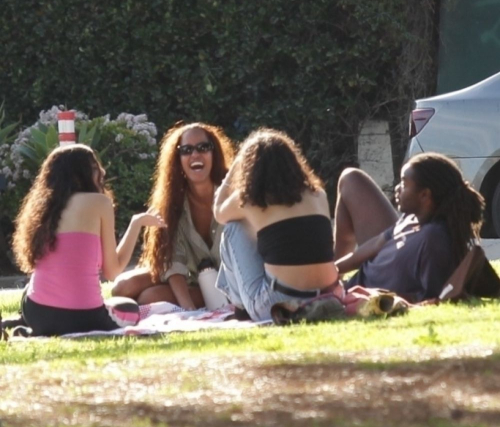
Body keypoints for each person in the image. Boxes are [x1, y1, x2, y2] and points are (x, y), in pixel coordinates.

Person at [12, 144, 165, 336]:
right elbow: (113, 271)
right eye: (94, 168)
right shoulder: (99, 202)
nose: (102, 171)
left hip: (38, 314)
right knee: (129, 307)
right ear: (77, 175)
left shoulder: (42, 210)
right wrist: (136, 224)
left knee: (31, 289)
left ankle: (22, 322)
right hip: (84, 318)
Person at [213, 128, 342, 321]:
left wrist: (234, 168)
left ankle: (240, 307)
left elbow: (218, 212)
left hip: (281, 303)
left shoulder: (249, 200)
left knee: (234, 228)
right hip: (329, 295)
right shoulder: (318, 195)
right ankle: (242, 305)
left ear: (251, 169)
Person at [112, 122, 234, 308]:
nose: (195, 155)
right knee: (122, 287)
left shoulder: (232, 193)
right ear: (177, 159)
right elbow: (173, 260)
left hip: (230, 282)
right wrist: (188, 309)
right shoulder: (172, 201)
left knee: (148, 298)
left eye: (203, 147)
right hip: (189, 276)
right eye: (186, 150)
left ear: (214, 153)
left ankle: (214, 299)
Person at [334, 152, 485, 302]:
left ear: (424, 195)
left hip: (360, 293)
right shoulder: (410, 218)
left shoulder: (433, 238)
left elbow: (432, 297)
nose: (397, 188)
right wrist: (332, 271)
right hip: (356, 280)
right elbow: (376, 243)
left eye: (404, 184)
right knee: (351, 177)